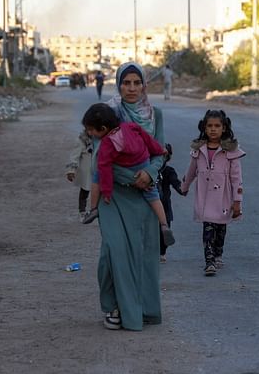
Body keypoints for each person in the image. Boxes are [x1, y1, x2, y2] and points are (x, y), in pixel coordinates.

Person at [92, 62, 166, 331]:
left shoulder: (154, 114)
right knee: (112, 254)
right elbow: (100, 159)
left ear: (144, 85)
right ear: (118, 84)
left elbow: (160, 153)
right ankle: (112, 306)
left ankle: (143, 309)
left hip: (144, 195)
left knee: (145, 254)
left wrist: (148, 173)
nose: (132, 88)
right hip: (114, 197)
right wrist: (130, 178)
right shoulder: (108, 114)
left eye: (137, 83)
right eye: (126, 83)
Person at [80, 103, 174, 246]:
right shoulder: (130, 126)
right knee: (153, 195)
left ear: (103, 129)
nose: (90, 134)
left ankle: (93, 209)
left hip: (128, 169)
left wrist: (106, 193)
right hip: (143, 164)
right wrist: (160, 149)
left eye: (91, 130)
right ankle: (164, 225)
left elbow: (105, 169)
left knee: (96, 176)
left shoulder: (107, 144)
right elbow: (147, 140)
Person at [179, 109, 245, 276]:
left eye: (217, 126)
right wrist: (184, 187)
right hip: (205, 197)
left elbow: (236, 178)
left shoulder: (231, 151)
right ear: (204, 127)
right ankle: (209, 261)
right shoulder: (198, 150)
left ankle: (218, 253)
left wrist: (237, 201)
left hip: (224, 197)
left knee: (220, 228)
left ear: (224, 128)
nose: (213, 129)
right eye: (210, 126)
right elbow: (191, 170)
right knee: (208, 227)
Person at [157, 143, 183, 263]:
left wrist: (182, 188)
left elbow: (176, 183)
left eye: (164, 156)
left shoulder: (169, 171)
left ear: (168, 157)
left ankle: (162, 252)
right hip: (150, 206)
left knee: (165, 229)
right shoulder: (147, 171)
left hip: (165, 206)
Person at [65, 129, 93, 222]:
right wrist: (71, 170)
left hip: (99, 170)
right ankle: (82, 211)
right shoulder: (81, 140)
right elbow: (74, 156)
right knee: (85, 191)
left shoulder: (101, 138)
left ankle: (97, 211)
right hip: (87, 171)